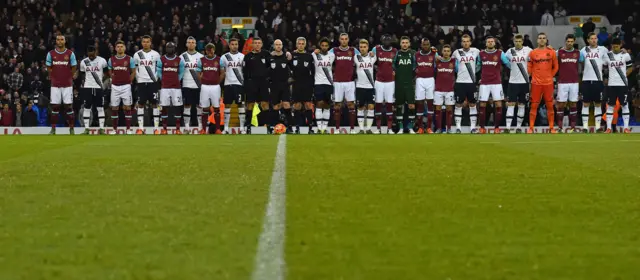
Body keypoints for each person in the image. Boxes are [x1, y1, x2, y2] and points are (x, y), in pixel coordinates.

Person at [477, 36, 510, 134]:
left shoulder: (500, 53)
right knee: (482, 104)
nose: (490, 43)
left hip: (496, 82)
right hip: (484, 83)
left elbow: (508, 64)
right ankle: (482, 128)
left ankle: (496, 128)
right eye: (488, 42)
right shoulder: (481, 53)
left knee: (498, 104)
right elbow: (478, 67)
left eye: (492, 41)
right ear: (486, 43)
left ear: (495, 43)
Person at [46, 35, 77, 135]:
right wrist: (54, 76)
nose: (59, 41)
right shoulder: (51, 54)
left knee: (69, 107)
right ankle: (53, 129)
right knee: (55, 107)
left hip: (67, 85)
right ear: (55, 41)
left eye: (61, 39)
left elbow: (74, 66)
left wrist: (69, 76)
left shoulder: (70, 54)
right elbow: (49, 67)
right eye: (58, 39)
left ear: (65, 41)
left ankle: (71, 129)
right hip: (55, 85)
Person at [528, 32, 559, 133]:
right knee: (534, 105)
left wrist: (550, 76)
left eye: (543, 38)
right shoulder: (532, 53)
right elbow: (529, 67)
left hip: (548, 83)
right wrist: (533, 76)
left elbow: (556, 66)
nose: (541, 40)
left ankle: (551, 127)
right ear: (537, 40)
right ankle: (531, 128)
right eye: (540, 38)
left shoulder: (552, 52)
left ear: (546, 40)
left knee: (550, 105)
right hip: (536, 83)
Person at [328, 33, 358, 134]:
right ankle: (337, 129)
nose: (344, 41)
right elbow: (325, 57)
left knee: (351, 105)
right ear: (339, 40)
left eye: (345, 39)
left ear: (348, 40)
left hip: (350, 82)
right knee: (337, 105)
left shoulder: (353, 50)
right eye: (342, 39)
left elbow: (363, 55)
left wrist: (371, 53)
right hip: (337, 82)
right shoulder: (334, 50)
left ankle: (352, 129)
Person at [580, 32, 608, 133]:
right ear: (588, 40)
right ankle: (584, 127)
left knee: (598, 104)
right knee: (586, 104)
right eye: (591, 38)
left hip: (598, 80)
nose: (593, 40)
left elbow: (609, 60)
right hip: (586, 80)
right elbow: (580, 62)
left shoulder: (603, 49)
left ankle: (598, 127)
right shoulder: (583, 50)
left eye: (595, 38)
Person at [603, 38, 633, 133]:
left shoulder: (626, 55)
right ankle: (608, 128)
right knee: (610, 105)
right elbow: (604, 68)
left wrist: (624, 76)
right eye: (613, 46)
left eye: (616, 46)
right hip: (611, 84)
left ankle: (626, 128)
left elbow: (630, 68)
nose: (615, 48)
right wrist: (606, 79)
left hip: (622, 84)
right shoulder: (608, 55)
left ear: (620, 45)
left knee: (624, 105)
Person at [452, 34, 480, 133]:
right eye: (464, 41)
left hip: (471, 82)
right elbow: (452, 65)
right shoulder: (456, 52)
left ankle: (472, 128)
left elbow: (480, 64)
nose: (465, 43)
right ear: (461, 42)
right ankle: (458, 128)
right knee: (458, 105)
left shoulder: (476, 51)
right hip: (460, 82)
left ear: (470, 42)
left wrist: (475, 74)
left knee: (473, 104)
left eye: (467, 41)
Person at [504, 34, 532, 133]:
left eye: (520, 41)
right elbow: (505, 62)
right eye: (516, 41)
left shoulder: (528, 50)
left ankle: (518, 127)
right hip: (513, 82)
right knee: (510, 104)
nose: (518, 43)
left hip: (524, 82)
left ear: (522, 41)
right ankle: (507, 127)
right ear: (513, 41)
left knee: (522, 105)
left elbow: (534, 59)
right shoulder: (509, 51)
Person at [243, 37, 271, 135]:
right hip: (251, 83)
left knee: (265, 104)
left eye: (259, 43)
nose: (257, 45)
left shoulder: (266, 55)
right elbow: (244, 72)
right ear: (252, 45)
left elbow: (270, 68)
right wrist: (247, 84)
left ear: (262, 44)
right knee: (250, 104)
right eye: (255, 43)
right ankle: (248, 125)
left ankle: (266, 125)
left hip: (263, 83)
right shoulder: (247, 57)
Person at [133, 35, 161, 134]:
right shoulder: (137, 54)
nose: (145, 43)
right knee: (140, 104)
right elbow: (135, 69)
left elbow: (159, 68)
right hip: (141, 82)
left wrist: (155, 79)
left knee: (155, 104)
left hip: (152, 82)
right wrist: (138, 78)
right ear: (141, 43)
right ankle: (141, 128)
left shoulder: (156, 54)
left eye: (147, 41)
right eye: (144, 41)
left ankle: (156, 128)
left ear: (150, 43)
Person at [156, 42, 185, 134]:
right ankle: (164, 129)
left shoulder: (179, 60)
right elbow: (159, 71)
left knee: (177, 107)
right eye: (168, 47)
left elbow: (181, 72)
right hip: (165, 87)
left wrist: (177, 80)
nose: (169, 49)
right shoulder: (162, 59)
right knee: (164, 107)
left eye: (171, 47)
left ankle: (177, 129)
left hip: (176, 87)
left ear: (174, 48)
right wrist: (163, 79)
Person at [556, 34, 584, 133]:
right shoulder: (558, 52)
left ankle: (573, 127)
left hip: (574, 82)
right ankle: (559, 127)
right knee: (561, 104)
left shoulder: (578, 53)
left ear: (574, 42)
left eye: (572, 42)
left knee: (573, 103)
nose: (570, 43)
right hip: (562, 82)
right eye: (568, 41)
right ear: (565, 41)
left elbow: (583, 63)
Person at [108, 40, 136, 135]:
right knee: (114, 108)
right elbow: (110, 71)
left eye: (121, 46)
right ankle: (114, 129)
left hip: (126, 86)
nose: (120, 48)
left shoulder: (129, 59)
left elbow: (133, 71)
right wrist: (113, 79)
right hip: (115, 86)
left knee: (127, 107)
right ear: (115, 48)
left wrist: (129, 81)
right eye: (118, 46)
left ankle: (128, 129)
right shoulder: (111, 59)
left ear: (124, 48)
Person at [79, 45, 108, 134]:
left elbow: (106, 73)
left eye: (93, 53)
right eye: (89, 54)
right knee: (87, 108)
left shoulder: (102, 60)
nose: (91, 55)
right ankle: (86, 128)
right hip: (87, 87)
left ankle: (101, 128)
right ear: (87, 53)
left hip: (99, 87)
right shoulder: (84, 62)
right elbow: (82, 74)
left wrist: (101, 82)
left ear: (96, 52)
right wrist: (84, 83)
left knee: (100, 108)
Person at [220, 38, 246, 134]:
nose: (234, 46)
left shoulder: (243, 56)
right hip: (228, 84)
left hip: (239, 84)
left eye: (236, 44)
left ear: (238, 45)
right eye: (232, 44)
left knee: (241, 105)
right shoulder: (224, 57)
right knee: (227, 105)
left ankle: (242, 128)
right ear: (229, 45)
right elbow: (222, 71)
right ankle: (226, 128)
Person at [290, 37, 315, 134]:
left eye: (302, 43)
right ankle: (297, 127)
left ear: (305, 45)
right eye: (299, 43)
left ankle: (310, 127)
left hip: (307, 83)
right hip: (296, 83)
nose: (300, 45)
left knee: (308, 104)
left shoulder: (309, 56)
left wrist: (312, 84)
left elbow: (313, 71)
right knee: (297, 105)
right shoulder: (292, 55)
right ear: (296, 45)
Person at [372, 34, 397, 134]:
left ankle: (389, 128)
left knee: (389, 104)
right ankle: (378, 129)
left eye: (388, 40)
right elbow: (370, 61)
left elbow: (397, 64)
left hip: (390, 81)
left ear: (391, 41)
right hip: (379, 81)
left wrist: (394, 69)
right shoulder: (376, 49)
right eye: (385, 40)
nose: (387, 41)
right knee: (378, 103)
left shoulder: (395, 51)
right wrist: (375, 68)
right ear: (382, 41)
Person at [197, 43, 224, 134]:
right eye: (208, 49)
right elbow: (198, 73)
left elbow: (223, 73)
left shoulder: (219, 60)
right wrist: (203, 81)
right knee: (205, 108)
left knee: (216, 108)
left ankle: (218, 129)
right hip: (205, 86)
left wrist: (216, 81)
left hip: (215, 87)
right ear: (205, 50)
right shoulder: (201, 60)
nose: (210, 51)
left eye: (211, 49)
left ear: (214, 49)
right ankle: (204, 129)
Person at [180, 36, 204, 133]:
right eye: (189, 42)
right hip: (186, 84)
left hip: (198, 85)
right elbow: (179, 71)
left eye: (192, 42)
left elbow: (203, 71)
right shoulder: (182, 57)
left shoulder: (200, 57)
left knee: (199, 106)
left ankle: (200, 127)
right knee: (187, 106)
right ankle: (186, 127)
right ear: (186, 44)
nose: (191, 44)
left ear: (195, 44)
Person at [393, 36, 417, 134]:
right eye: (403, 42)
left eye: (406, 42)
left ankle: (410, 127)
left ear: (409, 44)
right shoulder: (397, 53)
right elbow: (393, 65)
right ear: (400, 44)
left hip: (410, 84)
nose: (405, 44)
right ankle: (401, 128)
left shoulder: (413, 54)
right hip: (399, 84)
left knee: (411, 106)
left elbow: (415, 67)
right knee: (399, 106)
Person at [312, 37, 335, 134]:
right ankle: (319, 128)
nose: (324, 47)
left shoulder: (332, 55)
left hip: (329, 83)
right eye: (322, 46)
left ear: (328, 47)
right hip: (318, 83)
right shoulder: (314, 54)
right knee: (319, 104)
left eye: (326, 46)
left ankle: (324, 128)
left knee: (327, 105)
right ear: (320, 46)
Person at [414, 39, 437, 133]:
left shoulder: (434, 54)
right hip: (419, 80)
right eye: (424, 44)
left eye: (427, 44)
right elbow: (413, 66)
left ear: (430, 45)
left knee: (430, 104)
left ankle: (429, 128)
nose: (426, 46)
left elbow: (439, 64)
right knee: (419, 103)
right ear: (421, 45)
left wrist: (437, 51)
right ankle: (420, 128)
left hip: (430, 80)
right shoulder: (416, 55)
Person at [269, 39, 292, 134]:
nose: (278, 46)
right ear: (274, 46)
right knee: (276, 106)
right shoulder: (269, 57)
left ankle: (290, 126)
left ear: (282, 46)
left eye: (280, 44)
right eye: (276, 44)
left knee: (286, 104)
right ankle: (274, 126)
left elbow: (292, 68)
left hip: (284, 84)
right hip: (274, 85)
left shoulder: (286, 56)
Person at [354, 39, 376, 134]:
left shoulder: (373, 57)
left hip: (370, 87)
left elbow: (376, 49)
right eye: (361, 47)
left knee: (371, 107)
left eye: (364, 47)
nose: (362, 49)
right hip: (360, 86)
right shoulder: (356, 57)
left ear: (368, 48)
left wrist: (372, 53)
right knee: (360, 107)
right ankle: (362, 129)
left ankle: (369, 129)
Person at [434, 45, 457, 133]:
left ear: (450, 52)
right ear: (442, 52)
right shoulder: (437, 61)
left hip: (449, 89)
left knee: (449, 109)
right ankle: (439, 128)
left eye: (448, 51)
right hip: (438, 89)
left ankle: (449, 128)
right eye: (445, 51)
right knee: (438, 109)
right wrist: (434, 51)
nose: (446, 52)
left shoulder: (454, 61)